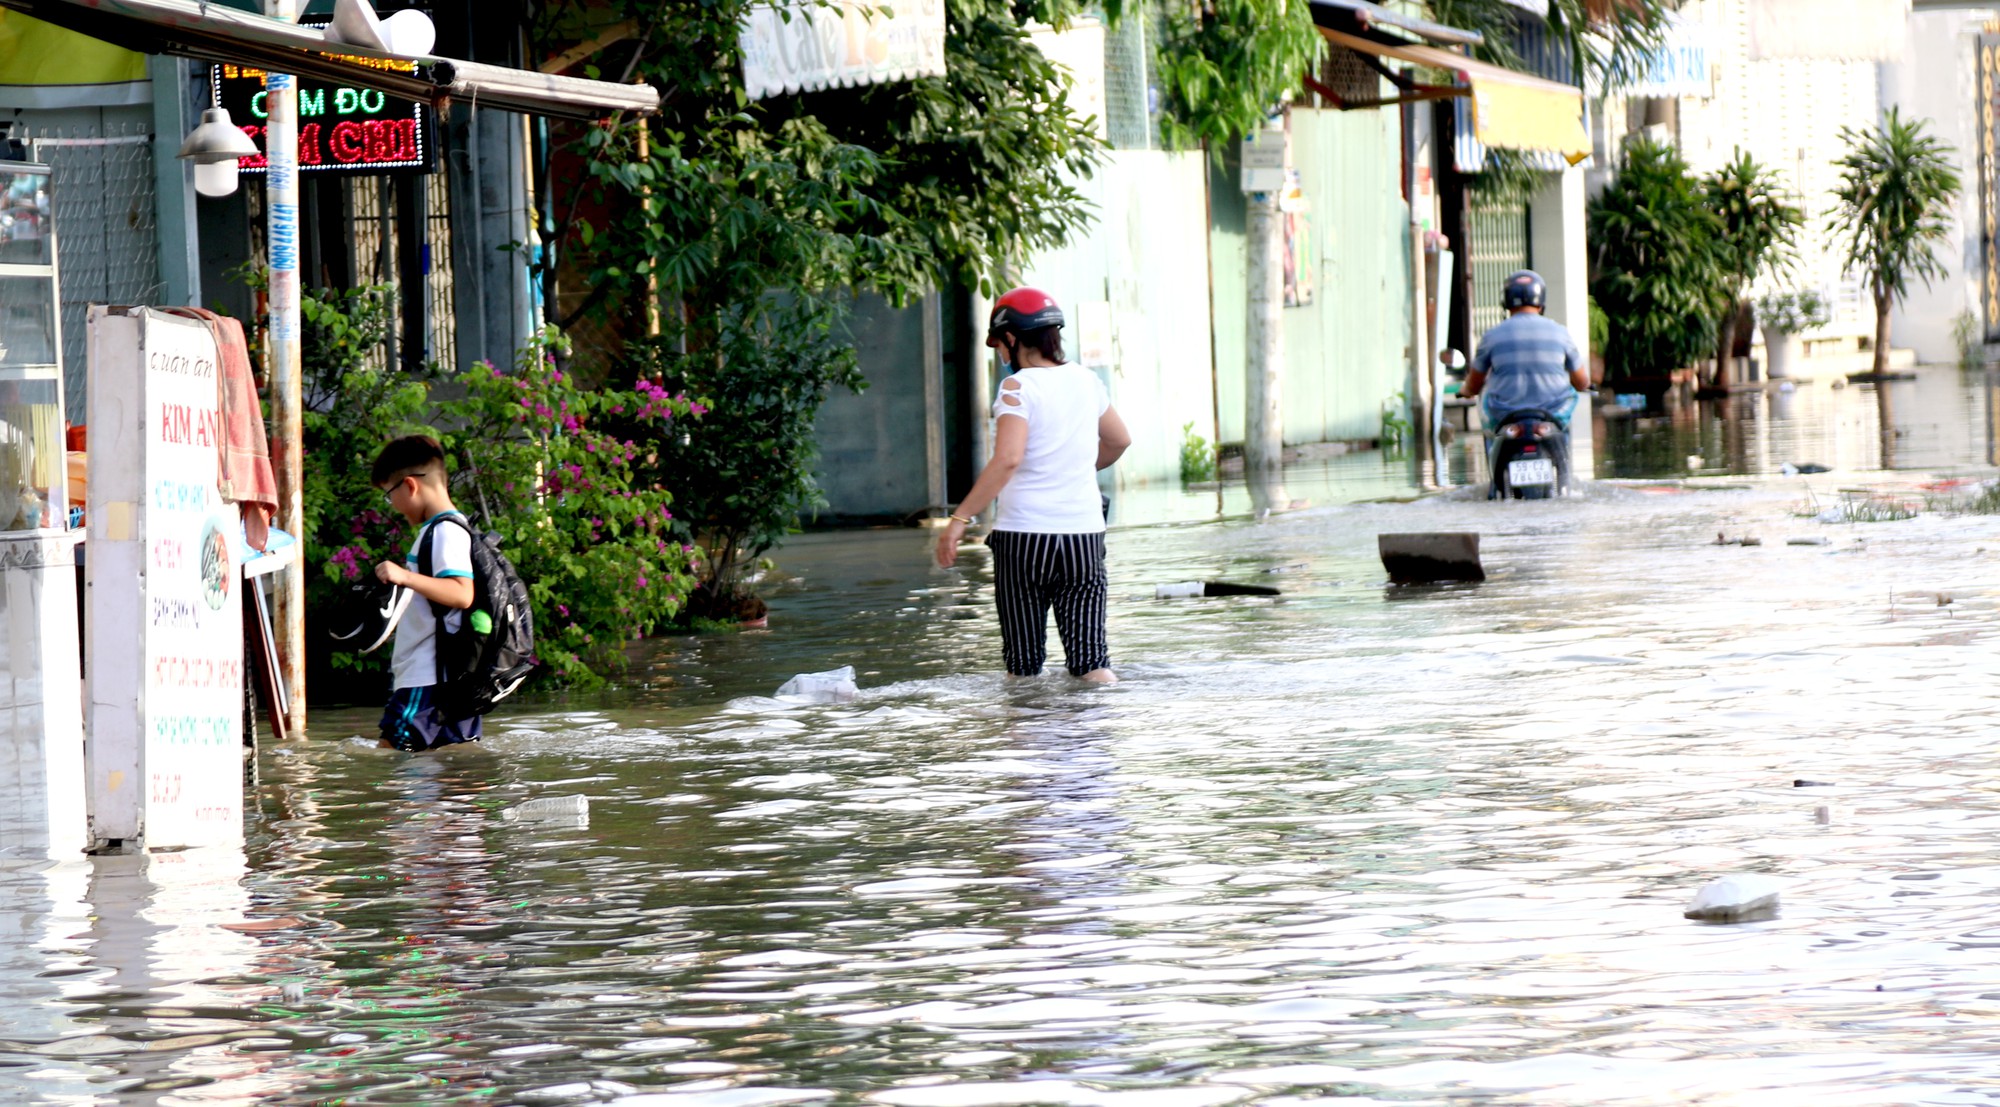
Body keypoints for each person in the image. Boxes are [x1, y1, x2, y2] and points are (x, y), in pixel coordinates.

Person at [935, 287, 1132, 683]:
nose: (1001, 354)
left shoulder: (1018, 387)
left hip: (1025, 538)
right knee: (1092, 663)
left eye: (1000, 345)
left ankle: (1026, 743)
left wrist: (959, 519)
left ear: (1012, 338)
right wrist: (1073, 468)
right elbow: (1119, 440)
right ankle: (1102, 737)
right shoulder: (1087, 382)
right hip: (1083, 535)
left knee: (1023, 666)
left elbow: (1008, 458)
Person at [370, 435, 480, 752]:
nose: (392, 505)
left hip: (426, 680)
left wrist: (404, 576)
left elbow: (462, 593)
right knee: (450, 774)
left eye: (389, 495)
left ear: (410, 486)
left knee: (389, 755)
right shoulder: (447, 530)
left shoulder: (444, 531)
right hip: (442, 681)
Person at [1459, 269, 1589, 432]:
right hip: (1552, 415)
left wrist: (1465, 390)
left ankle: (1495, 451)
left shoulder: (1491, 336)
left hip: (1505, 417)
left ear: (1506, 302)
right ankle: (1562, 450)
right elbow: (1582, 382)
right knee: (1572, 392)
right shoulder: (1561, 333)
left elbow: (1474, 385)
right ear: (1541, 302)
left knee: (1485, 396)